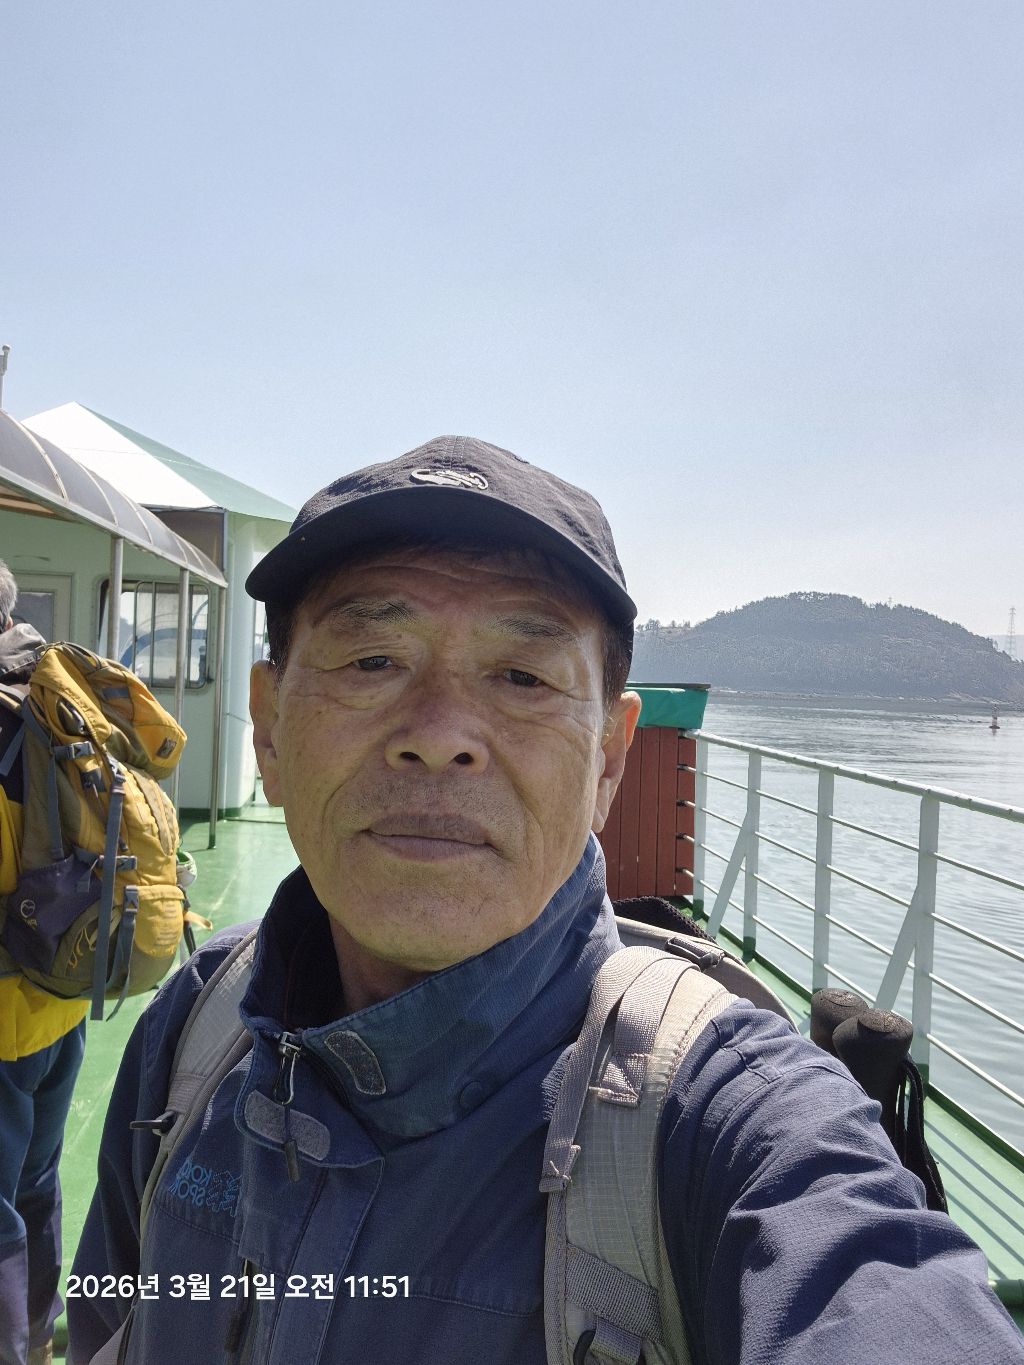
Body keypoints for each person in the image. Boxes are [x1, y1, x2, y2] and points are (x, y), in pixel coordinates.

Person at [67, 437, 1023, 1364]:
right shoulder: (194, 1027)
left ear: (608, 758)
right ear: (270, 729)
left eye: (522, 676)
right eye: (371, 661)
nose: (441, 733)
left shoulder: (732, 1124)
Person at [0, 560, 88, 1365]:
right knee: (37, 1181)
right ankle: (36, 1338)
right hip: (64, 990)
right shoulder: (53, 700)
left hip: (1, 1014)